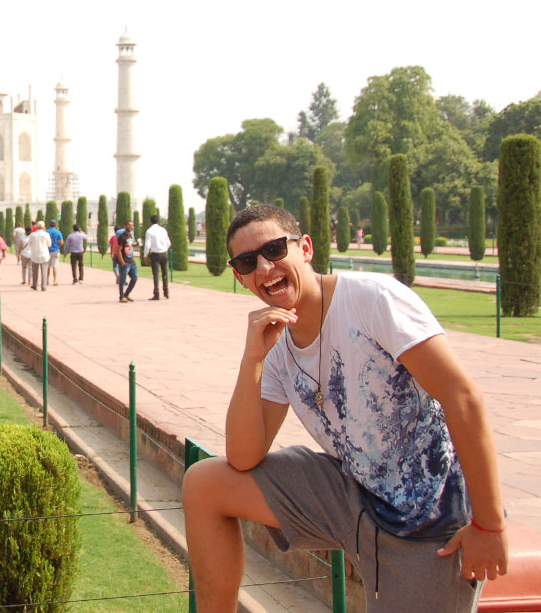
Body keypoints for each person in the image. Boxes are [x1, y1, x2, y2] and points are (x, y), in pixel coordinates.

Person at [182, 204, 507, 612]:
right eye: (248, 261)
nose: (265, 267)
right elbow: (243, 457)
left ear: (305, 248)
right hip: (355, 494)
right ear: (240, 277)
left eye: (275, 249)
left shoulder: (372, 301)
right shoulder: (276, 345)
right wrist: (253, 360)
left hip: (429, 520)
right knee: (205, 484)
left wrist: (489, 525)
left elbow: (463, 398)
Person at [143, 214, 172, 300]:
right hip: (164, 253)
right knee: (165, 274)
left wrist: (145, 255)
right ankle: (166, 292)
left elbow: (147, 245)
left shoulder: (149, 231)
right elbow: (168, 243)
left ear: (150, 222)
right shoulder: (163, 230)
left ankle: (157, 294)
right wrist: (164, 249)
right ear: (158, 221)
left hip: (155, 255)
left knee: (156, 274)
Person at [115, 221, 138, 302]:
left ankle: (126, 294)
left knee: (135, 277)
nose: (130, 226)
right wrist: (122, 262)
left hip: (131, 261)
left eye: (132, 225)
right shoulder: (122, 236)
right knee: (123, 279)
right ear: (125, 226)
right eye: (129, 225)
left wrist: (137, 244)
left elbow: (131, 245)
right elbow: (119, 250)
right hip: (125, 261)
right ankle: (121, 296)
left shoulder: (130, 235)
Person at [26, 220, 52, 291]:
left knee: (35, 271)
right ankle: (43, 286)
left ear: (37, 227)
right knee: (44, 271)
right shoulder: (46, 234)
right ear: (43, 227)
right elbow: (49, 244)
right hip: (44, 254)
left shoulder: (33, 234)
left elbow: (29, 243)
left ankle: (35, 285)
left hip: (35, 254)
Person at [45, 219, 64, 287]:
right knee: (55, 266)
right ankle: (55, 280)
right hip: (55, 250)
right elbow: (61, 242)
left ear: (49, 224)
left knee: (47, 266)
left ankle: (47, 280)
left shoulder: (46, 231)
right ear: (55, 225)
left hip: (48, 250)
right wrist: (57, 244)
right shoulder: (58, 232)